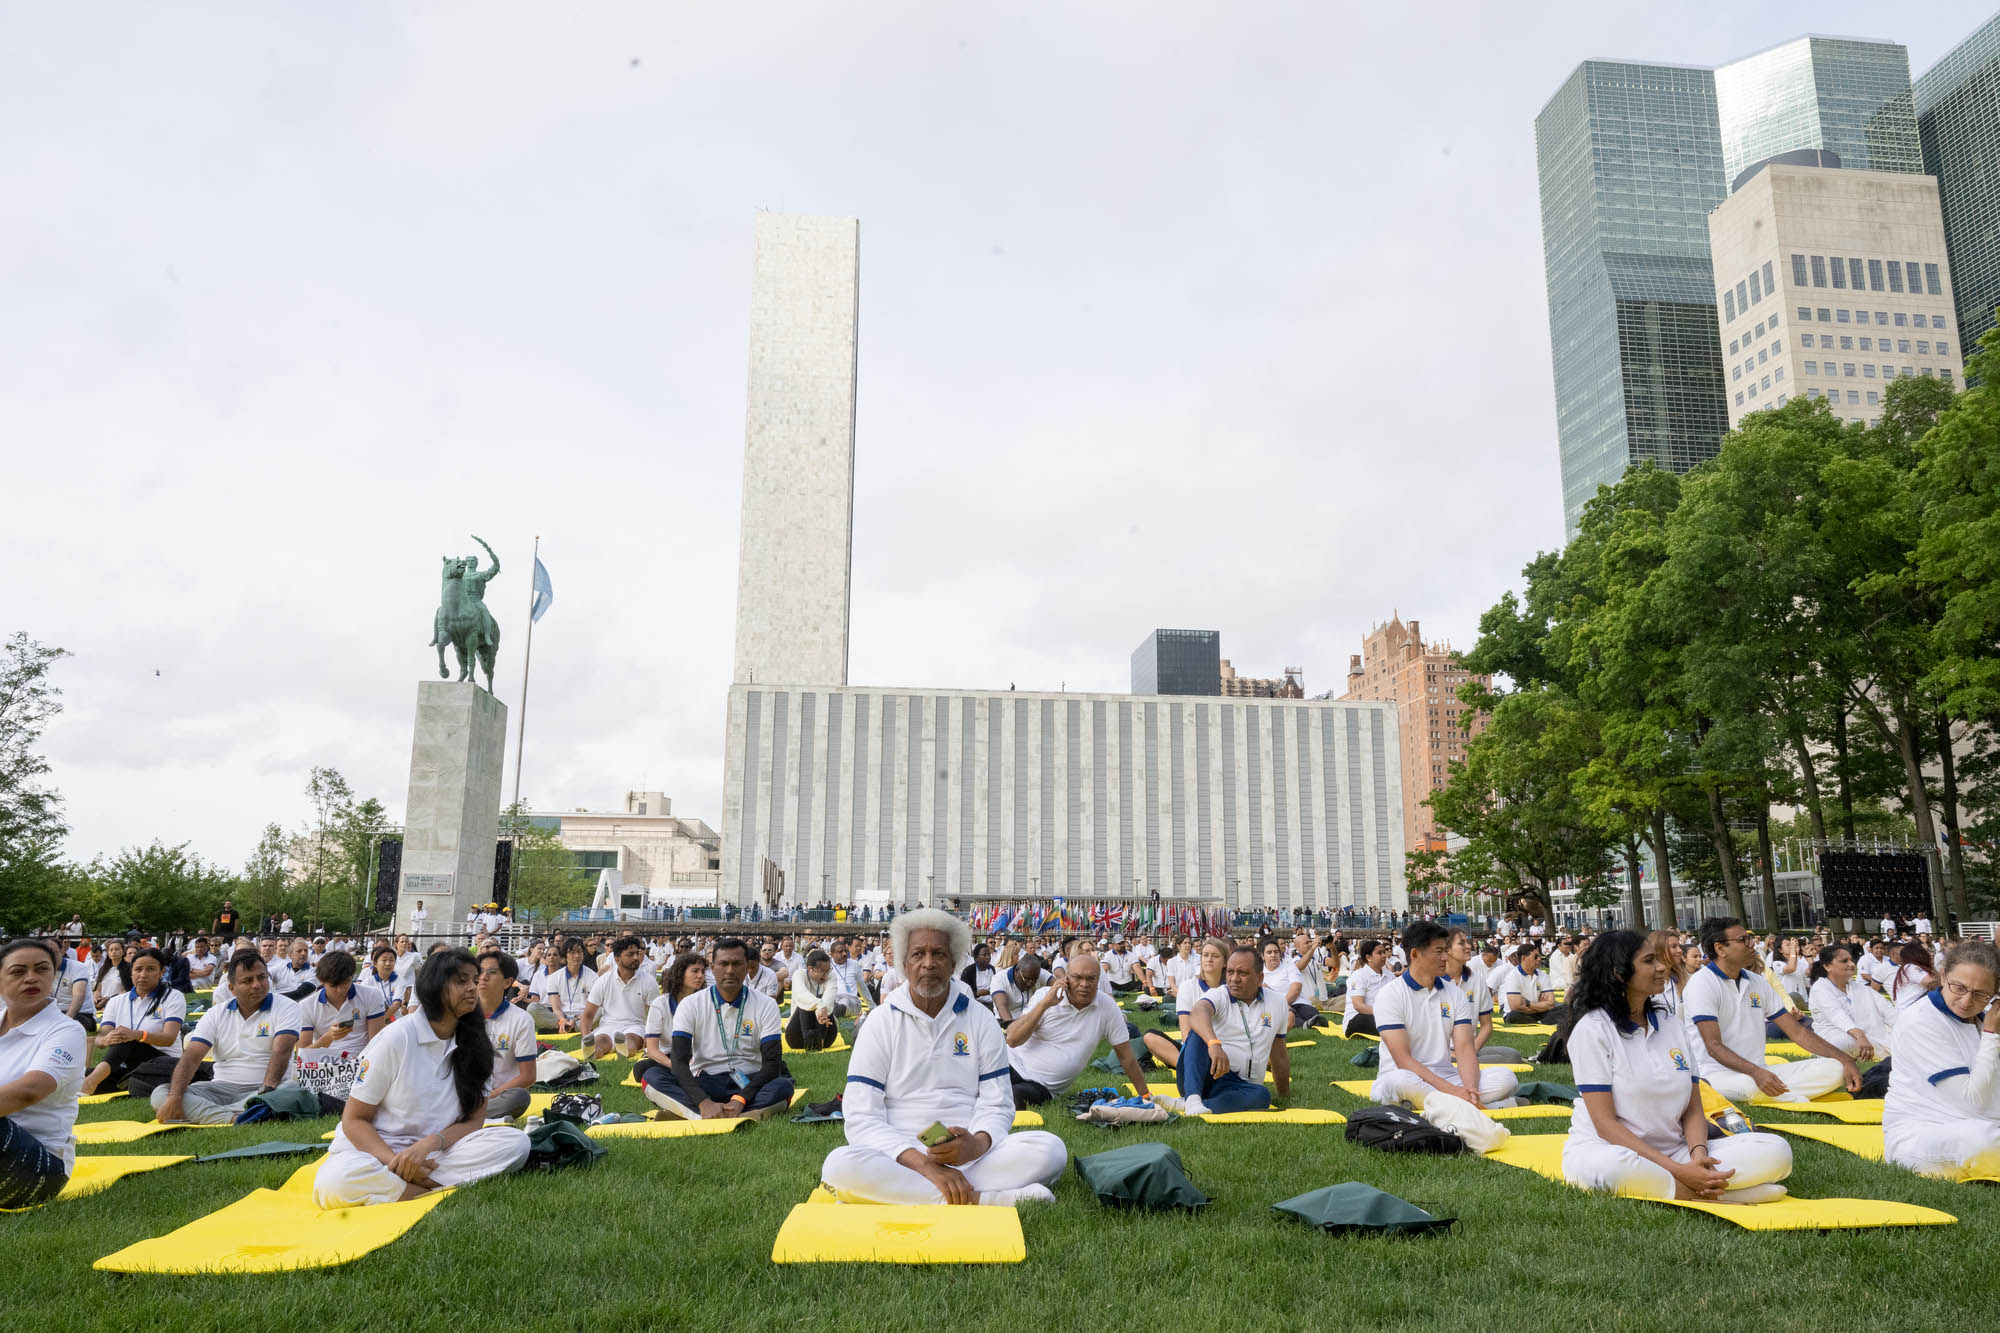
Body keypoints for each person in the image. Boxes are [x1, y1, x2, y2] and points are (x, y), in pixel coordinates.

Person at [819, 910, 1067, 1206]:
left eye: (938, 953)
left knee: (1050, 1149)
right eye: (918, 954)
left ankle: (923, 1193)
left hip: (971, 1154)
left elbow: (997, 1102)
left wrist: (975, 1143)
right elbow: (861, 1116)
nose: (928, 963)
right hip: (899, 1156)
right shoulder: (880, 1021)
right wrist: (925, 1165)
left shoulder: (980, 1019)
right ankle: (979, 1199)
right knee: (839, 1165)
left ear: (953, 963)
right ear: (903, 964)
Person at [1562, 929, 1793, 1203]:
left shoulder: (1671, 1024)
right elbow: (1604, 1125)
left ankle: (1685, 1187)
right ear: (1618, 973)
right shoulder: (1593, 1029)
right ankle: (1709, 1195)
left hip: (1677, 1150)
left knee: (1776, 1150)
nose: (1662, 967)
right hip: (1610, 1149)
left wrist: (1698, 1157)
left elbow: (1693, 1107)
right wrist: (1679, 1172)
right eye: (1649, 961)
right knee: (1612, 1168)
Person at [315, 949, 531, 1207]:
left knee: (515, 1143)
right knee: (335, 1182)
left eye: (474, 980)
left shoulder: (476, 1042)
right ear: (435, 986)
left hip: (436, 1151)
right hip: (376, 1151)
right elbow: (354, 1120)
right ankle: (424, 1189)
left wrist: (429, 1144)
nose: (473, 988)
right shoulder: (397, 1037)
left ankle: (402, 1188)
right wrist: (397, 1161)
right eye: (462, 981)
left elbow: (474, 1119)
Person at [1682, 918, 1857, 1104]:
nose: (1751, 945)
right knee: (1749, 1086)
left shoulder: (1756, 981)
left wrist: (1844, 1059)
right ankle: (1792, 1097)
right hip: (1715, 1073)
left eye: (1750, 939)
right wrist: (1756, 1073)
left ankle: (1779, 1093)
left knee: (1835, 1068)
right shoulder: (1702, 983)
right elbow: (1713, 1047)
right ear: (1720, 949)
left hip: (1759, 1069)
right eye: (1743, 940)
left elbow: (1797, 1032)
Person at [1884, 940, 2000, 1180]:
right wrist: (1991, 1036)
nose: (1966, 1001)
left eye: (1980, 994)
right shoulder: (1921, 1021)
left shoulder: (1981, 1018)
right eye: (1959, 987)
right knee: (1981, 1141)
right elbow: (1973, 1100)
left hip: (1981, 1121)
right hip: (1924, 1135)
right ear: (1943, 975)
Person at [1370, 922, 1518, 1110]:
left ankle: (1449, 1103)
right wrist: (1454, 1091)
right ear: (1415, 954)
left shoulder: (1454, 993)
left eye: (1445, 951)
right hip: (1403, 1075)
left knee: (1506, 1078)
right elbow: (1403, 1060)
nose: (1444, 957)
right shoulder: (1390, 994)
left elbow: (1465, 1049)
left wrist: (1470, 1089)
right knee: (1400, 1081)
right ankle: (1479, 1105)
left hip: (1447, 1076)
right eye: (1438, 951)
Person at [153, 952, 302, 1125]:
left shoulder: (287, 1007)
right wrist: (174, 1097)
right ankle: (236, 1117)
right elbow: (192, 1055)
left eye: (262, 977)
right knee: (162, 1094)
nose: (257, 985)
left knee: (294, 1091)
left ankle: (216, 1113)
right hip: (222, 1088)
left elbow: (281, 1051)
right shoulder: (216, 1014)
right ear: (232, 988)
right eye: (247, 981)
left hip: (270, 1087)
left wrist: (266, 1090)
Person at [653, 938, 794, 1120]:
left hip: (749, 1081)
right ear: (713, 968)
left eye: (736, 964)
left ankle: (696, 1114)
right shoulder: (690, 1004)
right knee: (652, 1076)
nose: (730, 971)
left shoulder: (766, 1004)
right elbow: (680, 1062)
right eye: (723, 964)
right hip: (705, 1080)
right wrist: (703, 1101)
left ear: (747, 967)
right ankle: (724, 1113)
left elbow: (772, 1063)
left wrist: (741, 1098)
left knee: (783, 1086)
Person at [0, 938, 87, 1207]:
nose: (31, 978)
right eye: (18, 971)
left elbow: (30, 1091)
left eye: (41, 969)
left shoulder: (65, 1031)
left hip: (39, 1167)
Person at [1004, 950, 1148, 1108]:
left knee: (1010, 1098)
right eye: (1077, 977)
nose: (1084, 984)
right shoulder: (1045, 995)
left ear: (1098, 980)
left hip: (1041, 1085)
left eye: (1091, 979)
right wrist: (1045, 1004)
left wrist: (1145, 1095)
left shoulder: (1107, 1007)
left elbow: (1126, 1057)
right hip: (1008, 1063)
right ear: (1066, 978)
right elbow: (1012, 1039)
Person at [1176, 944, 1292, 1116]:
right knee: (1198, 1032)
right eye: (1230, 972)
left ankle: (1187, 1105)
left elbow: (1279, 1054)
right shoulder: (1220, 994)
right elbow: (1198, 1011)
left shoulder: (1277, 1002)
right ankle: (1193, 1098)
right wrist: (1213, 1043)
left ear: (1259, 978)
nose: (1234, 979)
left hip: (1241, 1086)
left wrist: (1284, 1094)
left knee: (1262, 1096)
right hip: (1206, 1075)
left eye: (1242, 973)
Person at [80, 947, 187, 1096]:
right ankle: (111, 1080)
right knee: (80, 1075)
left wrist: (137, 1035)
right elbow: (99, 1039)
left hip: (164, 1064)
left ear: (162, 972)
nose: (143, 975)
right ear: (131, 973)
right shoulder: (116, 1001)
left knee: (127, 1039)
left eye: (150, 969)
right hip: (126, 1065)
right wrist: (106, 1040)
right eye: (138, 969)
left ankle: (91, 1082)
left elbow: (169, 1038)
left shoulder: (173, 996)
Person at [293, 949, 385, 1101]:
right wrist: (327, 1038)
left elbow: (377, 1042)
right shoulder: (307, 1005)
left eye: (346, 983)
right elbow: (304, 1054)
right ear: (322, 981)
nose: (341, 990)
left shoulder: (371, 995)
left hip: (362, 1061)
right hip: (325, 1064)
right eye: (334, 985)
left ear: (352, 977)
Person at [1142, 937, 1228, 1069]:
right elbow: (1186, 1033)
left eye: (1215, 956)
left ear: (1224, 962)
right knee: (1150, 1036)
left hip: (1225, 1046)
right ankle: (1188, 1068)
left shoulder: (1230, 989)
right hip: (1196, 1047)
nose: (1209, 959)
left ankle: (1195, 1068)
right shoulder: (1188, 987)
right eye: (1205, 955)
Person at [635, 953, 709, 1099]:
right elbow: (652, 1050)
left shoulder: (706, 1001)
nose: (700, 976)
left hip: (699, 1057)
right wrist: (677, 1067)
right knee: (642, 1070)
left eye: (702, 971)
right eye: (695, 971)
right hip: (671, 1058)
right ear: (681, 973)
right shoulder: (660, 1004)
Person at [1444, 928, 1524, 1065]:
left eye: (1468, 942)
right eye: (1461, 943)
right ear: (1447, 950)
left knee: (1513, 1056)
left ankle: (1462, 1060)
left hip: (1469, 1047)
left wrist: (1472, 1049)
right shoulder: (1434, 981)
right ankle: (1452, 1060)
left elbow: (1487, 1025)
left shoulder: (1476, 980)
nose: (1468, 946)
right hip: (1438, 1050)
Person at [474, 951, 537, 1119]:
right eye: (480, 971)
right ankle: (478, 1117)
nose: (483, 977)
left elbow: (528, 1076)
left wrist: (493, 1095)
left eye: (492, 972)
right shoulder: (460, 1014)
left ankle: (469, 1117)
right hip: (463, 1093)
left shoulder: (521, 1020)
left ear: (508, 982)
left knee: (519, 1097)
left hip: (498, 1095)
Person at [1805, 946, 1891, 1062]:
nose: (1851, 964)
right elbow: (1836, 1015)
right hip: (1836, 1037)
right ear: (1827, 966)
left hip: (1869, 1035)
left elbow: (1887, 1009)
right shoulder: (1820, 988)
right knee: (1843, 1042)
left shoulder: (1860, 988)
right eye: (1844, 961)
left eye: (1851, 960)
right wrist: (1860, 1036)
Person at [578, 936, 658, 1060]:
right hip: (608, 1025)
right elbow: (588, 1013)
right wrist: (585, 1035)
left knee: (630, 1040)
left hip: (635, 1026)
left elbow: (656, 1012)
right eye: (630, 954)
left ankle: (625, 1050)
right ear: (617, 959)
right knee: (601, 1041)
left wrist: (650, 1036)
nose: (636, 957)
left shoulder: (648, 981)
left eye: (637, 953)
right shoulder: (603, 981)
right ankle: (593, 1051)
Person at [787, 950, 850, 1051]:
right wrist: (820, 1005)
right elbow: (801, 995)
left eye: (828, 970)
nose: (826, 975)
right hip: (797, 1037)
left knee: (823, 1002)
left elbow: (829, 999)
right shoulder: (798, 974)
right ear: (810, 969)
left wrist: (820, 1010)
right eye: (823, 971)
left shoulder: (831, 976)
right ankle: (808, 1038)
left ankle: (818, 1040)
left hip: (826, 1036)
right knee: (806, 1003)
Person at [535, 937, 596, 1034]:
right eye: (572, 952)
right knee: (533, 1008)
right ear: (565, 956)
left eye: (579, 952)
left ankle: (570, 1027)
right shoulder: (554, 977)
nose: (576, 956)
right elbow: (556, 1008)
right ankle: (565, 1025)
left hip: (583, 1016)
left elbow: (592, 1007)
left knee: (601, 1010)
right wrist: (562, 1019)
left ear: (583, 954)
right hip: (561, 1015)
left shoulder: (593, 976)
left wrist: (575, 1019)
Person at [1262, 938, 1318, 1033]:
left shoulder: (1289, 966)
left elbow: (1296, 990)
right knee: (1289, 1017)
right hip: (1276, 1007)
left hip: (1297, 1002)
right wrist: (1283, 1007)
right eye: (1269, 952)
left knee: (1311, 1014)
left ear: (1280, 954)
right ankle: (1304, 1024)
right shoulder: (1259, 974)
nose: (1273, 955)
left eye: (1276, 952)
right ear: (1263, 956)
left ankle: (1310, 1022)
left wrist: (1283, 1003)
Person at [1342, 939, 1390, 1036]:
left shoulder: (1389, 976)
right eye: (1379, 953)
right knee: (1388, 1025)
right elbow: (1358, 1006)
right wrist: (1383, 1013)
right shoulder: (1359, 976)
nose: (1384, 955)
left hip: (1381, 1015)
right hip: (1356, 1019)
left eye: (1384, 952)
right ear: (1368, 957)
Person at [1499, 944, 1558, 1023]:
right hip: (1520, 1013)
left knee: (1565, 1008)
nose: (1539, 959)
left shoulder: (1543, 975)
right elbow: (1515, 1006)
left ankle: (1536, 1021)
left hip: (1537, 1012)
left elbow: (1551, 1003)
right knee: (1514, 1015)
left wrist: (1528, 1003)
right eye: (1535, 957)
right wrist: (1541, 1005)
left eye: (1539, 956)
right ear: (1524, 958)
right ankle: (1541, 1021)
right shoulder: (1512, 976)